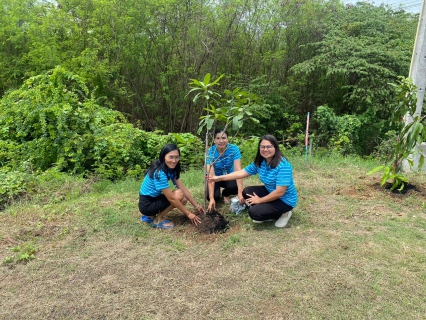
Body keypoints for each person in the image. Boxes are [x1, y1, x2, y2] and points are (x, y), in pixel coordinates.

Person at [209, 134, 298, 228]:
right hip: (270, 191)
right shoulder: (261, 162)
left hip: (285, 200)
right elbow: (241, 173)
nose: (265, 149)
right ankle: (268, 209)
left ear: (275, 147)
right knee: (247, 192)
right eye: (262, 147)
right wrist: (218, 178)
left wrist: (260, 200)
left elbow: (280, 192)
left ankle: (284, 213)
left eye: (269, 146)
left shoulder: (283, 166)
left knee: (254, 213)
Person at [139, 144, 203, 229]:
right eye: (171, 157)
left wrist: (196, 206)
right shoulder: (159, 172)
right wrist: (188, 214)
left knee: (183, 198)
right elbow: (171, 199)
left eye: (177, 157)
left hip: (153, 199)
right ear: (163, 156)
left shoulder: (171, 169)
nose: (174, 160)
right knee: (179, 195)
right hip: (146, 205)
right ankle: (157, 219)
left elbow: (182, 187)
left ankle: (151, 216)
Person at [206, 128, 245, 210]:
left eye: (224, 138)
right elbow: (211, 175)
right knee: (212, 197)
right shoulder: (210, 152)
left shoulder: (234, 149)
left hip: (229, 176)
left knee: (236, 187)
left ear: (228, 139)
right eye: (218, 138)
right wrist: (212, 198)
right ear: (214, 140)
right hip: (215, 178)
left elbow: (238, 171)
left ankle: (225, 194)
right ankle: (215, 196)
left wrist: (240, 193)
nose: (221, 141)